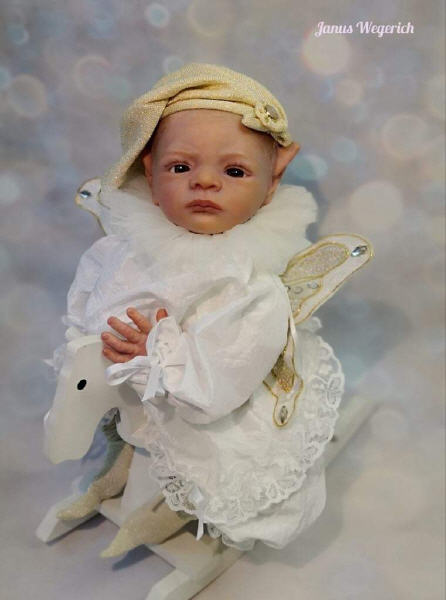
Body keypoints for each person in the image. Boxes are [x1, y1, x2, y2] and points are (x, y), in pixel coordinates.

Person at [53, 63, 347, 554]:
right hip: (127, 377)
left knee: (212, 445)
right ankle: (118, 463)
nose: (205, 182)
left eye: (234, 171)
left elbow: (230, 363)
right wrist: (95, 340)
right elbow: (93, 291)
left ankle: (176, 500)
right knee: (124, 413)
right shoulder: (128, 246)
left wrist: (161, 354)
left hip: (209, 389)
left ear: (271, 182)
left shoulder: (247, 282)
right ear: (151, 172)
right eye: (180, 167)